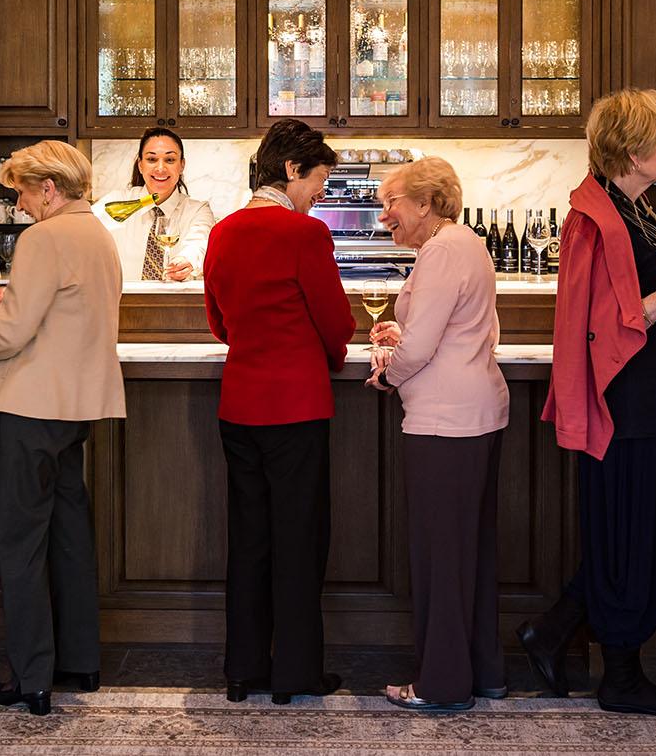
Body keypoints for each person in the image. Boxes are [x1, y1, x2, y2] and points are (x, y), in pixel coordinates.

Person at [524, 89, 656, 717]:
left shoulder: (636, 209)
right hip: (625, 409)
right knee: (630, 538)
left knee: (640, 532)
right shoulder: (595, 218)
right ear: (634, 150)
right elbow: (598, 328)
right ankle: (620, 677)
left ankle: (553, 632)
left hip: (653, 403)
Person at [0, 141, 126, 716]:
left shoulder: (44, 237)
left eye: (24, 193)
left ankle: (32, 676)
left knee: (21, 543)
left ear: (50, 189)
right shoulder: (99, 236)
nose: (22, 205)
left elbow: (10, 335)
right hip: (78, 406)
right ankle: (79, 662)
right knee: (68, 536)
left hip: (33, 405)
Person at [203, 119, 355, 705]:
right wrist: (334, 356)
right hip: (295, 406)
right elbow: (335, 322)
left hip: (239, 404)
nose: (321, 194)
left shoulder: (222, 232)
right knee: (299, 540)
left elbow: (218, 321)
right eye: (318, 181)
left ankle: (243, 669)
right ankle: (295, 673)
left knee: (249, 540)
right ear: (292, 170)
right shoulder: (304, 235)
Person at [365, 157, 508, 713]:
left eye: (391, 201)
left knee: (440, 557)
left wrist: (387, 372)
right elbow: (463, 328)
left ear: (425, 203)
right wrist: (403, 333)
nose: (385, 215)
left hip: (445, 421)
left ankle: (443, 684)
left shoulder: (443, 250)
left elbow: (421, 350)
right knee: (470, 553)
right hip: (474, 411)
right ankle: (483, 671)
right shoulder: (463, 243)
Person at [96, 126, 215, 281]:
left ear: (182, 165)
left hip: (178, 303)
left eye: (170, 160)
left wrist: (187, 261)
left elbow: (199, 243)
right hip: (122, 302)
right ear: (140, 165)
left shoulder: (197, 210)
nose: (160, 168)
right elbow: (80, 232)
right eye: (152, 159)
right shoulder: (116, 202)